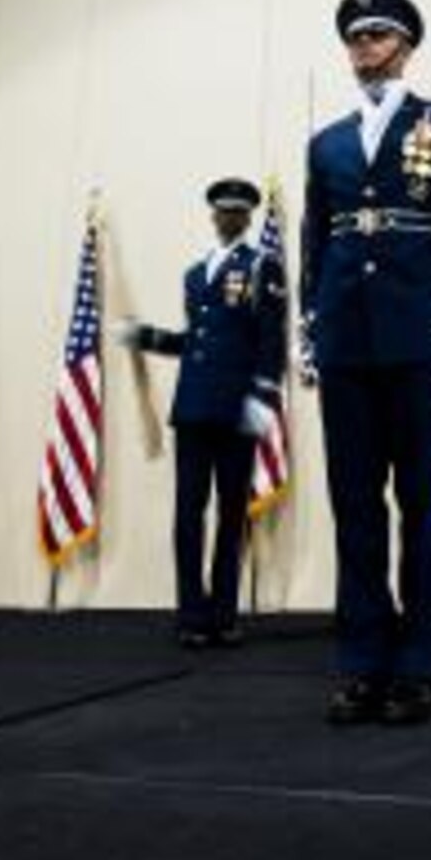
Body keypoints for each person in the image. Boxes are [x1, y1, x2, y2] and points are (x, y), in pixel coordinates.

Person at [301, 0, 431, 726]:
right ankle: (362, 664)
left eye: (380, 35)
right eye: (356, 37)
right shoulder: (325, 143)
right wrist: (309, 327)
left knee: (419, 504)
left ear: (408, 44)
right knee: (354, 506)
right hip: (347, 338)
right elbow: (314, 240)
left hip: (420, 332)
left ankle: (416, 666)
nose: (365, 48)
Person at [118, 177, 287, 649]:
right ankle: (191, 613)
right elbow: (199, 341)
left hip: (236, 412)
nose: (228, 219)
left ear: (248, 218)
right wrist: (147, 337)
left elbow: (270, 342)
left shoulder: (262, 268)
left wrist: (262, 400)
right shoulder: (195, 275)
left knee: (231, 515)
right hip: (192, 408)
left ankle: (224, 615)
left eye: (237, 212)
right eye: (222, 212)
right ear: (212, 216)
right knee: (188, 514)